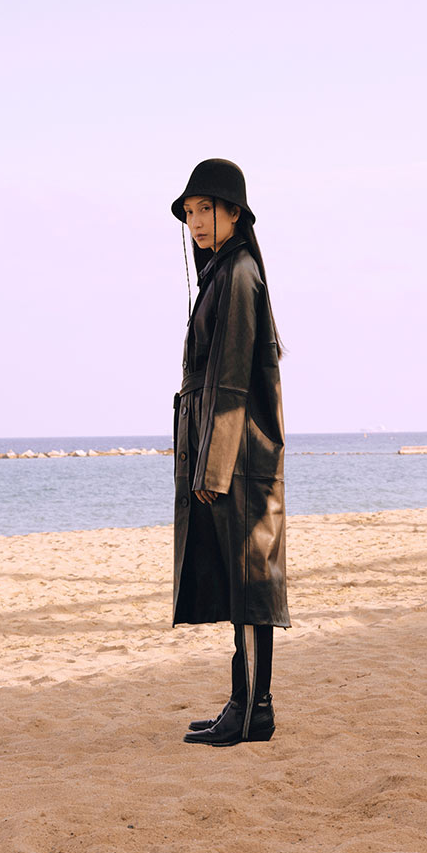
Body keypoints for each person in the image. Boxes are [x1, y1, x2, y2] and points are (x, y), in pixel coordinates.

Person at [170, 159, 290, 747]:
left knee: (250, 582)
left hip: (240, 455)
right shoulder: (222, 272)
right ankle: (243, 702)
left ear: (234, 213)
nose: (195, 221)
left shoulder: (239, 272)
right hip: (224, 450)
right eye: (189, 212)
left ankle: (253, 710)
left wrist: (213, 465)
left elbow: (233, 377)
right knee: (236, 579)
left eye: (205, 209)